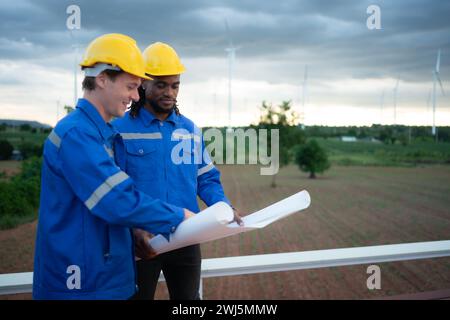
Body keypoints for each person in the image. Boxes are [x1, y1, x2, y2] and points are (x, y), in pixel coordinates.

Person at [32, 34, 194, 300]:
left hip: (106, 280)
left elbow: (106, 207)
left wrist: (135, 230)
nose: (135, 95)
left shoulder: (101, 134)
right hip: (83, 287)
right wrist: (181, 217)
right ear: (103, 79)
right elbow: (116, 200)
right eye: (131, 86)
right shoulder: (77, 135)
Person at [113, 42, 242, 300]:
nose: (169, 92)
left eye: (175, 85)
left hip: (186, 236)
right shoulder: (120, 129)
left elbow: (206, 178)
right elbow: (115, 191)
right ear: (143, 84)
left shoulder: (190, 130)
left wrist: (224, 207)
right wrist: (131, 230)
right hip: (141, 240)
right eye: (161, 84)